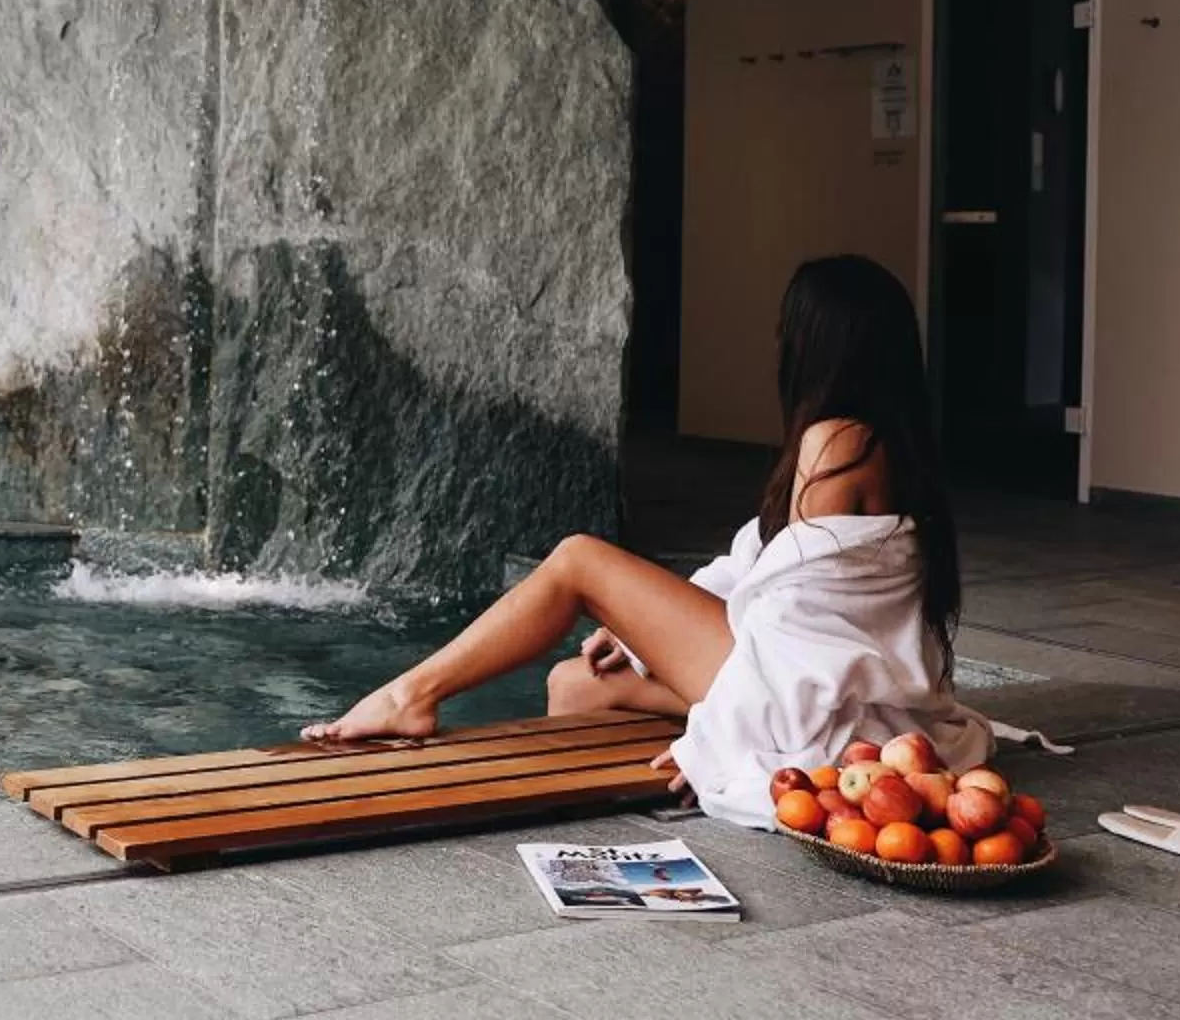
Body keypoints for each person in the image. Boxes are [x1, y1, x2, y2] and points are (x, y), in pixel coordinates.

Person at [299, 253, 993, 826]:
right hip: (812, 675)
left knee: (578, 559)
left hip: (802, 693)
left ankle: (412, 694)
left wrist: (721, 739)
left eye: (788, 329)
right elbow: (764, 570)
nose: (778, 344)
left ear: (821, 344)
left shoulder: (837, 440)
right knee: (575, 684)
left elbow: (794, 625)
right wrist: (638, 633)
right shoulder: (891, 443)